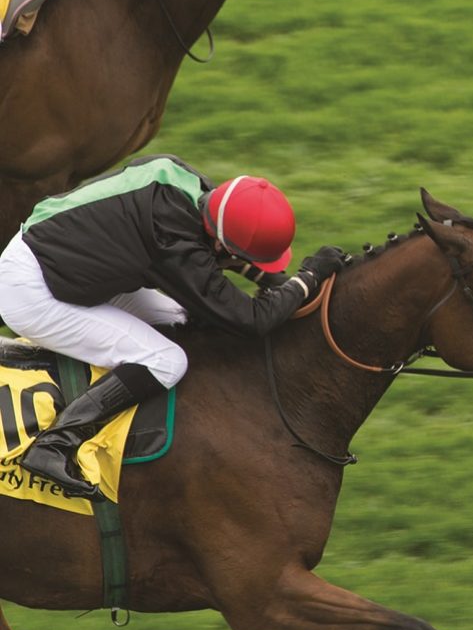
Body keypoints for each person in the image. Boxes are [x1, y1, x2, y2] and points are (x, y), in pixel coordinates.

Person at [0, 155, 349, 498]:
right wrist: (307, 279)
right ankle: (56, 443)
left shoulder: (189, 183)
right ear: (220, 240)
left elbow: (221, 262)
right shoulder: (172, 239)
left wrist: (279, 284)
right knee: (166, 361)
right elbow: (250, 319)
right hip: (34, 292)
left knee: (186, 321)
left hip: (75, 264)